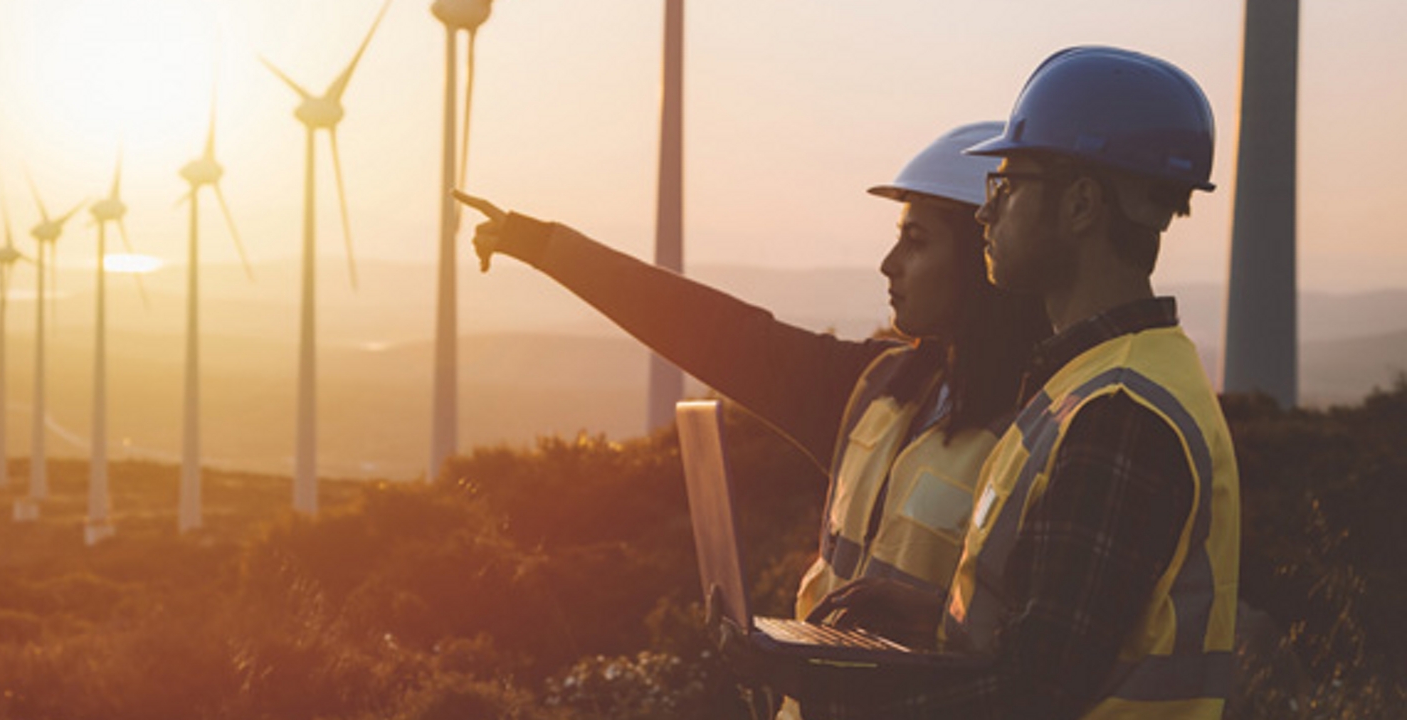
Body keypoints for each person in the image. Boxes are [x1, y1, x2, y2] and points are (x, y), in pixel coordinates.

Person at [455, 122, 1049, 713]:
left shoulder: (1046, 426)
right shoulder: (875, 388)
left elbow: (1036, 661)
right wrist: (540, 244)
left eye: (916, 241)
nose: (888, 264)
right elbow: (712, 330)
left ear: (982, 256)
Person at [803, 46, 1241, 720]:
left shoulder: (1118, 413)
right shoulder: (1096, 383)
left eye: (1004, 188)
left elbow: (1033, 694)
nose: (985, 214)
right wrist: (935, 620)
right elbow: (1053, 642)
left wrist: (829, 685)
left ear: (1082, 206)